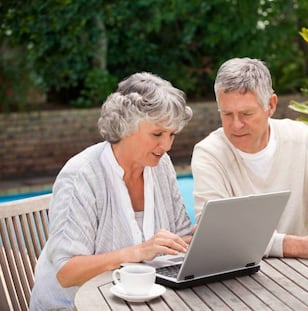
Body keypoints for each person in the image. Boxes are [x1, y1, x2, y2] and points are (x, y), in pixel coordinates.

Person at [30, 72, 194, 310]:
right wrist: (138, 251)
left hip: (137, 303)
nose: (167, 145)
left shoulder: (160, 165)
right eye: (157, 134)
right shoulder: (81, 175)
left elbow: (179, 238)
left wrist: (203, 238)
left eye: (172, 135)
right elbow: (66, 273)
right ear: (126, 126)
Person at [191, 57, 308, 261]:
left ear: (271, 105)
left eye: (246, 113)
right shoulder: (209, 153)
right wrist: (297, 246)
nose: (236, 124)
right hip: (238, 281)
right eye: (227, 114)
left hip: (305, 276)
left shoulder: (301, 139)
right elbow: (216, 235)